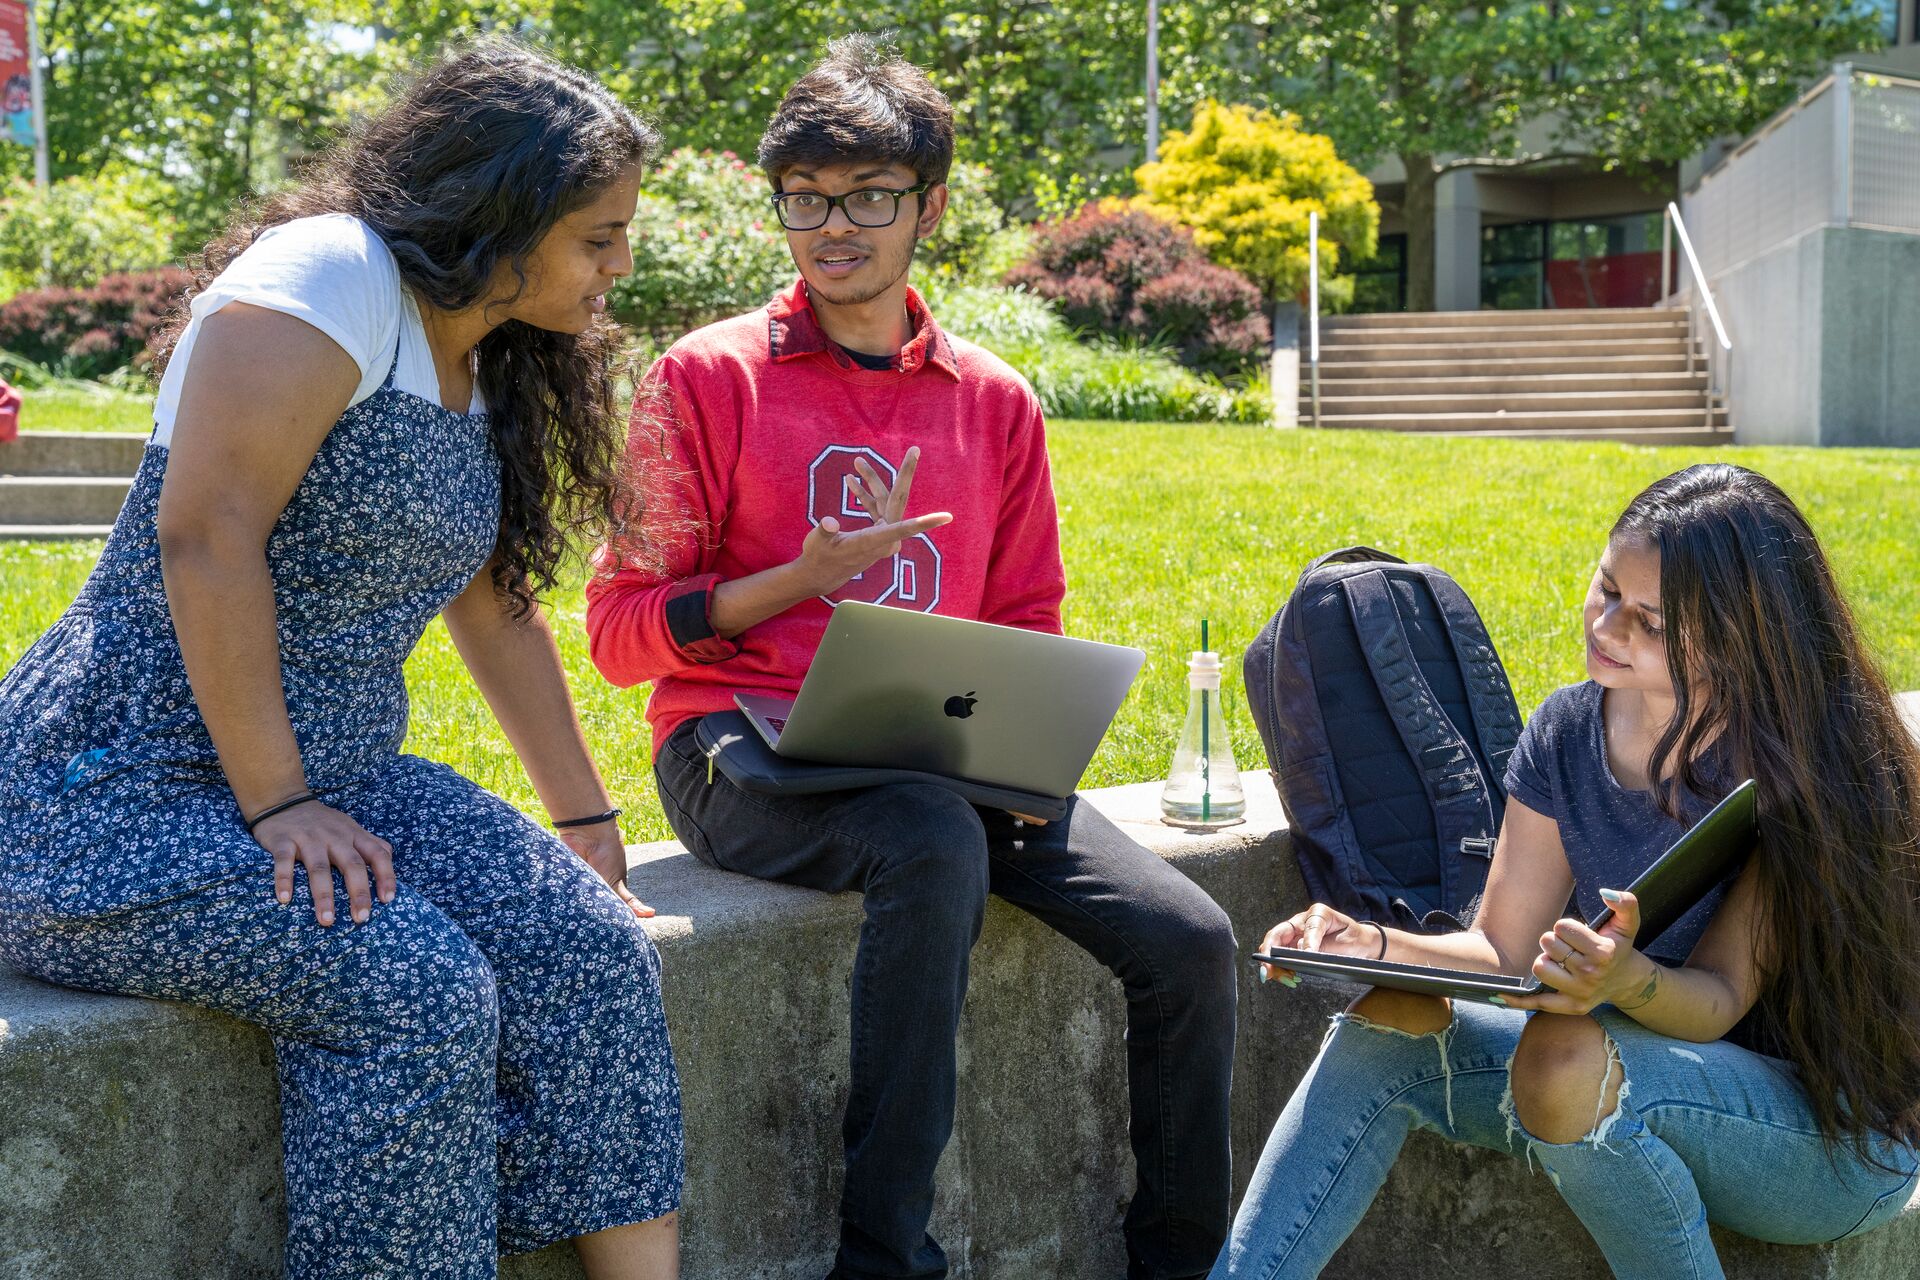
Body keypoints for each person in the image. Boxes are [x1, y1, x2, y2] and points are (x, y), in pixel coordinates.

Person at [0, 42, 682, 1280]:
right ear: (503, 215)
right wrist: (281, 801)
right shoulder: (330, 275)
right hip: (111, 792)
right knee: (411, 986)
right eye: (598, 236)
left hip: (335, 784)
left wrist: (582, 814)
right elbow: (205, 537)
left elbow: (495, 606)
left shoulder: (491, 351)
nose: (620, 267)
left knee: (589, 947)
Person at [585, 33, 1237, 1280]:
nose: (835, 228)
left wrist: (1026, 750)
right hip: (737, 750)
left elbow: (1028, 617)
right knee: (930, 838)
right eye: (807, 200)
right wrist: (793, 585)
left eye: (870, 197)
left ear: (928, 206)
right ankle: (884, 1259)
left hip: (943, 755)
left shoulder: (992, 400)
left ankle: (1180, 1259)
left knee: (1191, 936)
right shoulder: (704, 378)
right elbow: (620, 632)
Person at [1215, 462, 1920, 1279]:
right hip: (1619, 1069)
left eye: (1650, 623)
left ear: (1739, 639)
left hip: (1822, 1140)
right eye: (1607, 587)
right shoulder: (1567, 730)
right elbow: (1503, 953)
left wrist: (1622, 980)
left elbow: (1719, 1002)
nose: (1607, 625)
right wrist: (1369, 945)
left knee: (1564, 1056)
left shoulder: (1806, 769)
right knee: (1391, 1018)